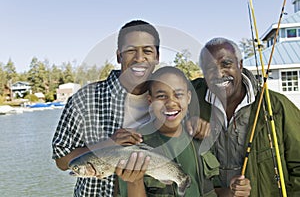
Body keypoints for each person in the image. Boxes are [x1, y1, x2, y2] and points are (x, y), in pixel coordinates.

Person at [52, 19, 160, 196]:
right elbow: (61, 161)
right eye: (131, 50)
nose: (139, 58)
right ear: (119, 56)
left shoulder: (170, 100)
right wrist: (108, 144)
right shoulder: (84, 101)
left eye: (147, 51)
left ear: (156, 57)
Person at [192, 37, 300, 196]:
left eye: (226, 64)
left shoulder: (277, 106)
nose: (219, 73)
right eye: (209, 68)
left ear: (240, 65)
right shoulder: (189, 102)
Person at [116, 66, 219, 197]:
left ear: (188, 97)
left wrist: (233, 190)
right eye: (161, 96)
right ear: (150, 101)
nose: (170, 102)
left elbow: (217, 189)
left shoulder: (201, 135)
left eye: (179, 94)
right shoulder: (134, 144)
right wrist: (134, 182)